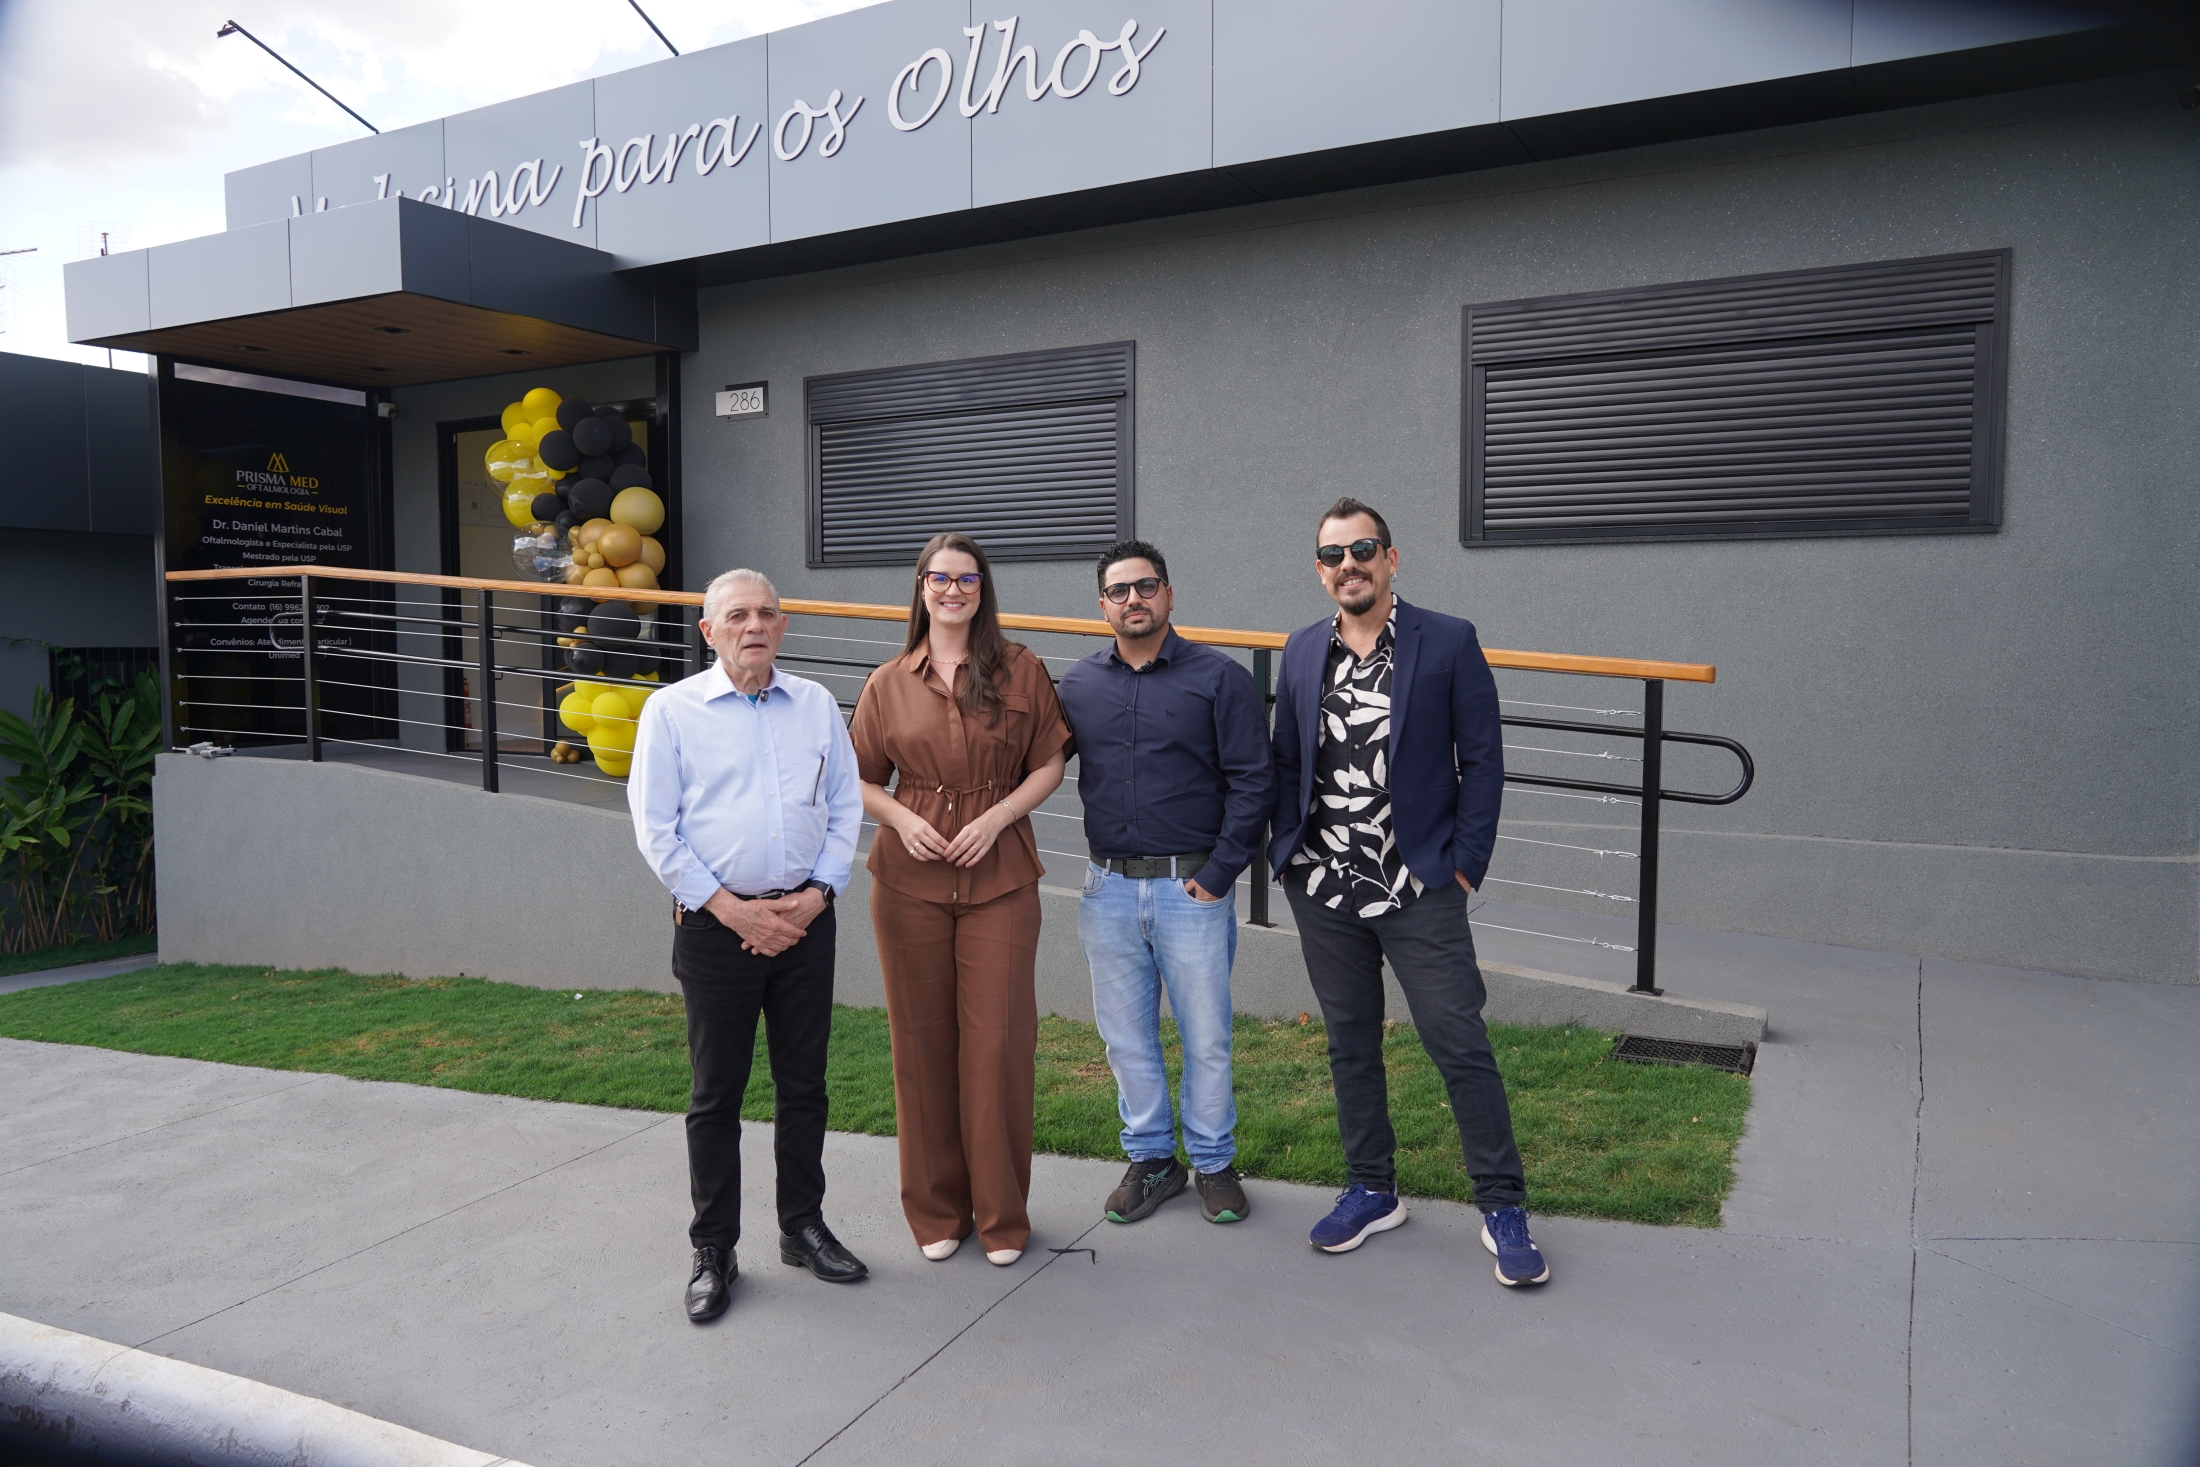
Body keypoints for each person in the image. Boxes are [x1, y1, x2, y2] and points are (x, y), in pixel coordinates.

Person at [1269, 498, 1551, 1288]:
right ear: (1319, 570)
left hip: (1419, 883)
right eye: (1333, 555)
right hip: (1323, 884)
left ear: (1391, 559)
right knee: (1349, 1039)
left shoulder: (1448, 640)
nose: (1348, 565)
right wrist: (1285, 854)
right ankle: (1372, 1188)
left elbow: (1483, 758)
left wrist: (1463, 863)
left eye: (1363, 549)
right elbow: (1286, 757)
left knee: (1458, 1039)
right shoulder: (1301, 649)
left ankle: (1502, 1204)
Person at [628, 567, 870, 1324]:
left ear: (783, 625)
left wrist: (819, 893)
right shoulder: (671, 711)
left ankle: (802, 1226)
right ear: (709, 630)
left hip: (805, 922)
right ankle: (714, 1249)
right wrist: (734, 912)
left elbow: (845, 805)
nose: (754, 625)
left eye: (766, 612)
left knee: (805, 1085)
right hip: (715, 928)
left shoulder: (816, 705)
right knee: (716, 1095)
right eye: (737, 615)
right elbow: (656, 829)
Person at [851, 533, 1071, 1267]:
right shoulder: (887, 681)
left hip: (999, 875)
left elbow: (1049, 763)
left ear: (983, 588)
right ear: (921, 586)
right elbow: (857, 778)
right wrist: (902, 818)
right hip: (907, 882)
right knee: (919, 1045)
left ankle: (1002, 1215)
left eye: (967, 578)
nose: (953, 590)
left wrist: (998, 817)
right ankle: (937, 1210)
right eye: (940, 578)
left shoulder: (1021, 668)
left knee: (998, 1045)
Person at [1055, 539, 1274, 1226]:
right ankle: (1153, 1159)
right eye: (1119, 590)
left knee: (1205, 1036)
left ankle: (1213, 1162)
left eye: (1146, 586)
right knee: (1125, 1037)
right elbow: (1027, 758)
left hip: (1191, 889)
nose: (1134, 599)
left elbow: (1254, 781)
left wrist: (1219, 874)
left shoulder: (1220, 678)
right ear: (1102, 606)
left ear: (1169, 594)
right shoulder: (1078, 686)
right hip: (1108, 889)